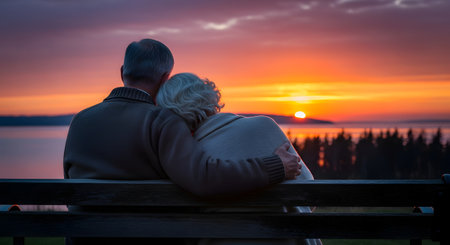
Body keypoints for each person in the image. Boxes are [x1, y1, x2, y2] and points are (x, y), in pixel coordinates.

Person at [63, 39, 301, 244]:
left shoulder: (81, 120)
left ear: (122, 71)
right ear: (165, 78)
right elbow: (204, 178)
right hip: (147, 241)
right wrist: (276, 165)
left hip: (86, 236)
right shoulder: (161, 121)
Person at [156, 72, 322, 245]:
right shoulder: (264, 126)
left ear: (170, 112)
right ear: (209, 97)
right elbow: (308, 193)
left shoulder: (189, 157)